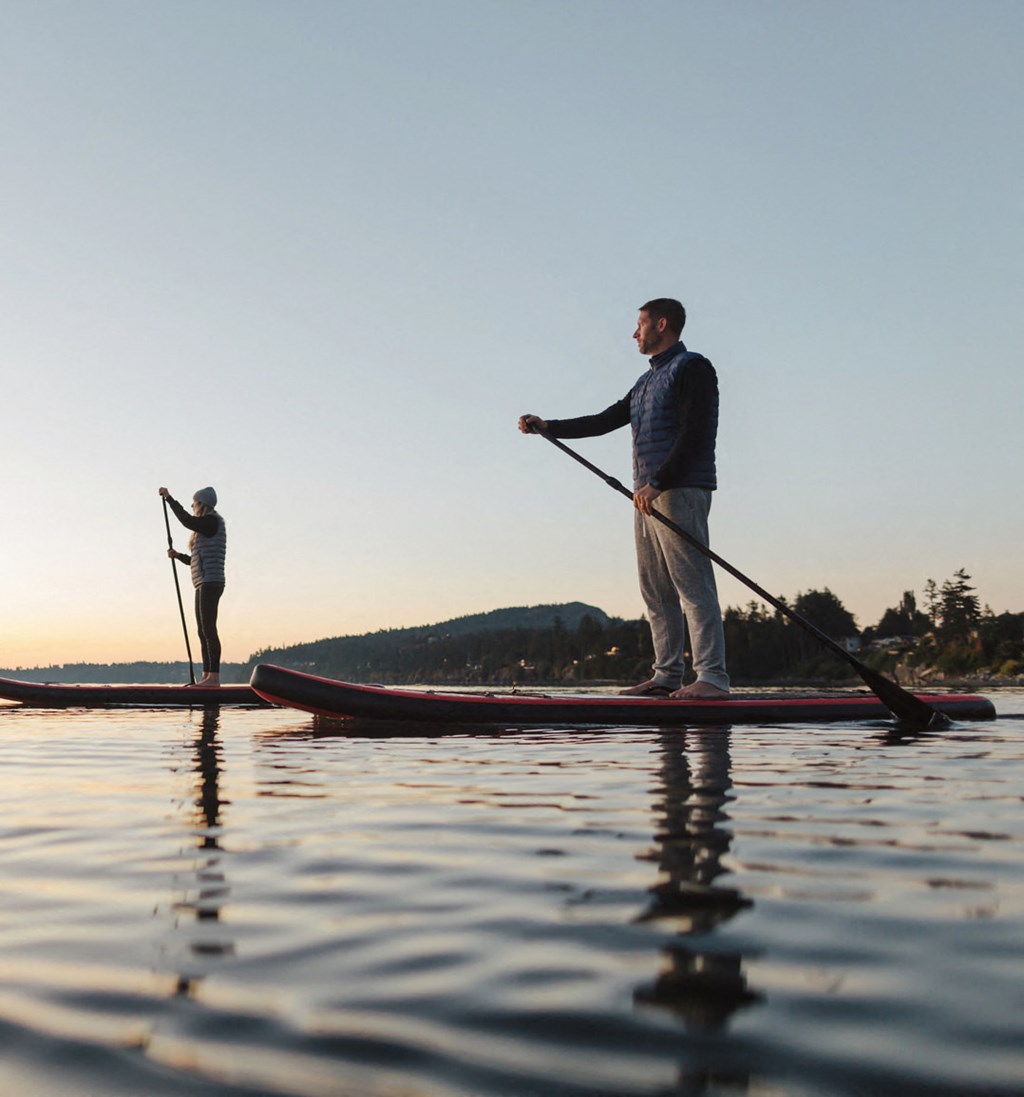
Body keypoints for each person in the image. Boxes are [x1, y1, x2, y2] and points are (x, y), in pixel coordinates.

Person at [518, 298, 730, 700]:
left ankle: (713, 679)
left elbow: (696, 432)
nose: (634, 333)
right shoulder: (645, 382)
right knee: (655, 587)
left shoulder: (693, 368)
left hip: (679, 489)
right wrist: (549, 427)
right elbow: (604, 420)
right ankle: (667, 675)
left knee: (692, 584)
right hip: (647, 494)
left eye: (640, 325)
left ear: (661, 325)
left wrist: (660, 481)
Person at [159, 485, 227, 687]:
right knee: (202, 630)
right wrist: (178, 556)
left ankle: (214, 678)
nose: (192, 506)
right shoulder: (204, 529)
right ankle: (207, 676)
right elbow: (194, 561)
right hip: (202, 583)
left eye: (194, 503)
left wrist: (169, 498)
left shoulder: (211, 522)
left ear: (202, 504)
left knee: (209, 629)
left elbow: (186, 520)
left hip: (211, 582)